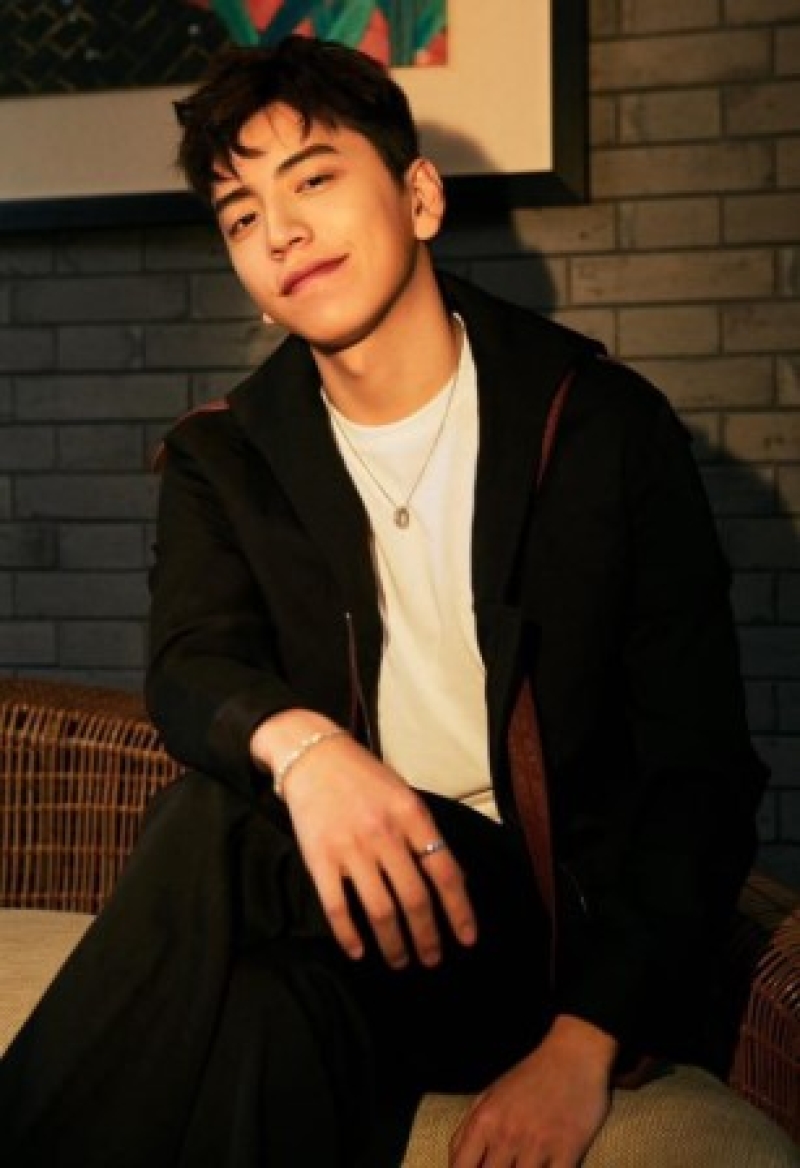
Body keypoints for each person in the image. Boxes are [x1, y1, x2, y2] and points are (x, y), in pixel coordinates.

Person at [1, 35, 772, 1168]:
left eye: (312, 179)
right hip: (345, 920)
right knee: (263, 1015)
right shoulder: (228, 455)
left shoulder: (600, 429)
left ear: (418, 198)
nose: (280, 232)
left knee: (215, 821)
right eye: (241, 215)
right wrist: (310, 752)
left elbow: (699, 773)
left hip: (537, 937)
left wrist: (581, 1044)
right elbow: (190, 662)